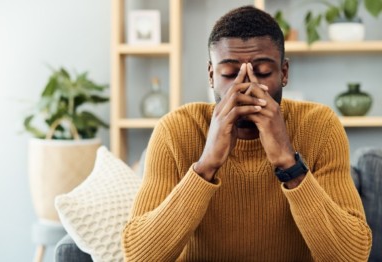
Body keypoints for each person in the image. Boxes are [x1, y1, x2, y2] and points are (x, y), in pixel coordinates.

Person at [122, 5, 372, 261]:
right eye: (229, 74)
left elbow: (352, 256)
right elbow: (140, 257)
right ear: (211, 75)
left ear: (284, 73)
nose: (246, 87)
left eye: (263, 72)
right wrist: (206, 166)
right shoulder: (175, 130)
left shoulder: (320, 126)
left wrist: (289, 163)